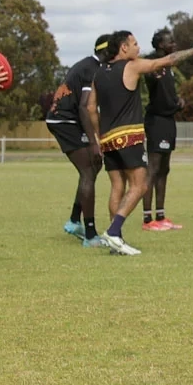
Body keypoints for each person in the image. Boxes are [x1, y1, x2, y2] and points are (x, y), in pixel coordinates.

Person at [91, 30, 193, 252]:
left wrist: (97, 134)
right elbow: (168, 60)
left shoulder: (99, 73)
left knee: (117, 186)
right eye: (134, 43)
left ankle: (116, 241)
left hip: (107, 137)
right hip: (129, 134)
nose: (138, 48)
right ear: (123, 48)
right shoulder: (132, 66)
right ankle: (113, 232)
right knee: (140, 185)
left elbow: (90, 107)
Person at [46, 36, 110, 244]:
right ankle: (90, 234)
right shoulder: (93, 69)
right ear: (107, 52)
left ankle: (75, 220)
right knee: (88, 171)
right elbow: (84, 106)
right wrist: (93, 141)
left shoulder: (89, 64)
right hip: (65, 121)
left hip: (67, 120)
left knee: (93, 167)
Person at [141, 28, 185, 230]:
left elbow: (168, 94)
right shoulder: (152, 64)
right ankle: (147, 219)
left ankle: (161, 216)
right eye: (171, 42)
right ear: (160, 45)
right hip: (156, 121)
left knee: (164, 169)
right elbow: (150, 78)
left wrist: (178, 101)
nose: (174, 44)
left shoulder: (168, 66)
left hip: (169, 120)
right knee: (153, 168)